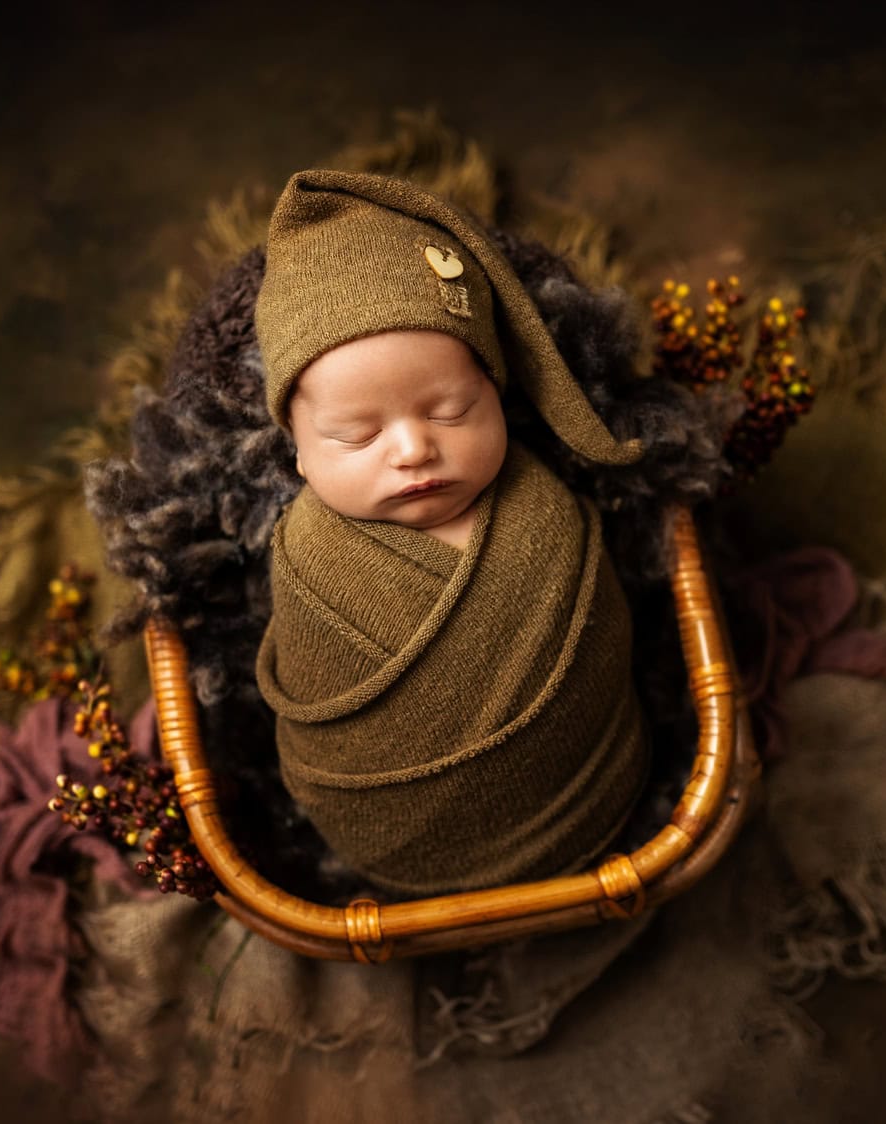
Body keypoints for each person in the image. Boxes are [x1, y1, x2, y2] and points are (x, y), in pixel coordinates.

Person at [253, 170, 649, 897]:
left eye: (449, 411)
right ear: (298, 452)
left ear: (498, 395)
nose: (412, 450)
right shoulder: (308, 561)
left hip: (592, 806)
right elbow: (322, 728)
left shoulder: (545, 513)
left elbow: (605, 651)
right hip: (393, 846)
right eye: (356, 434)